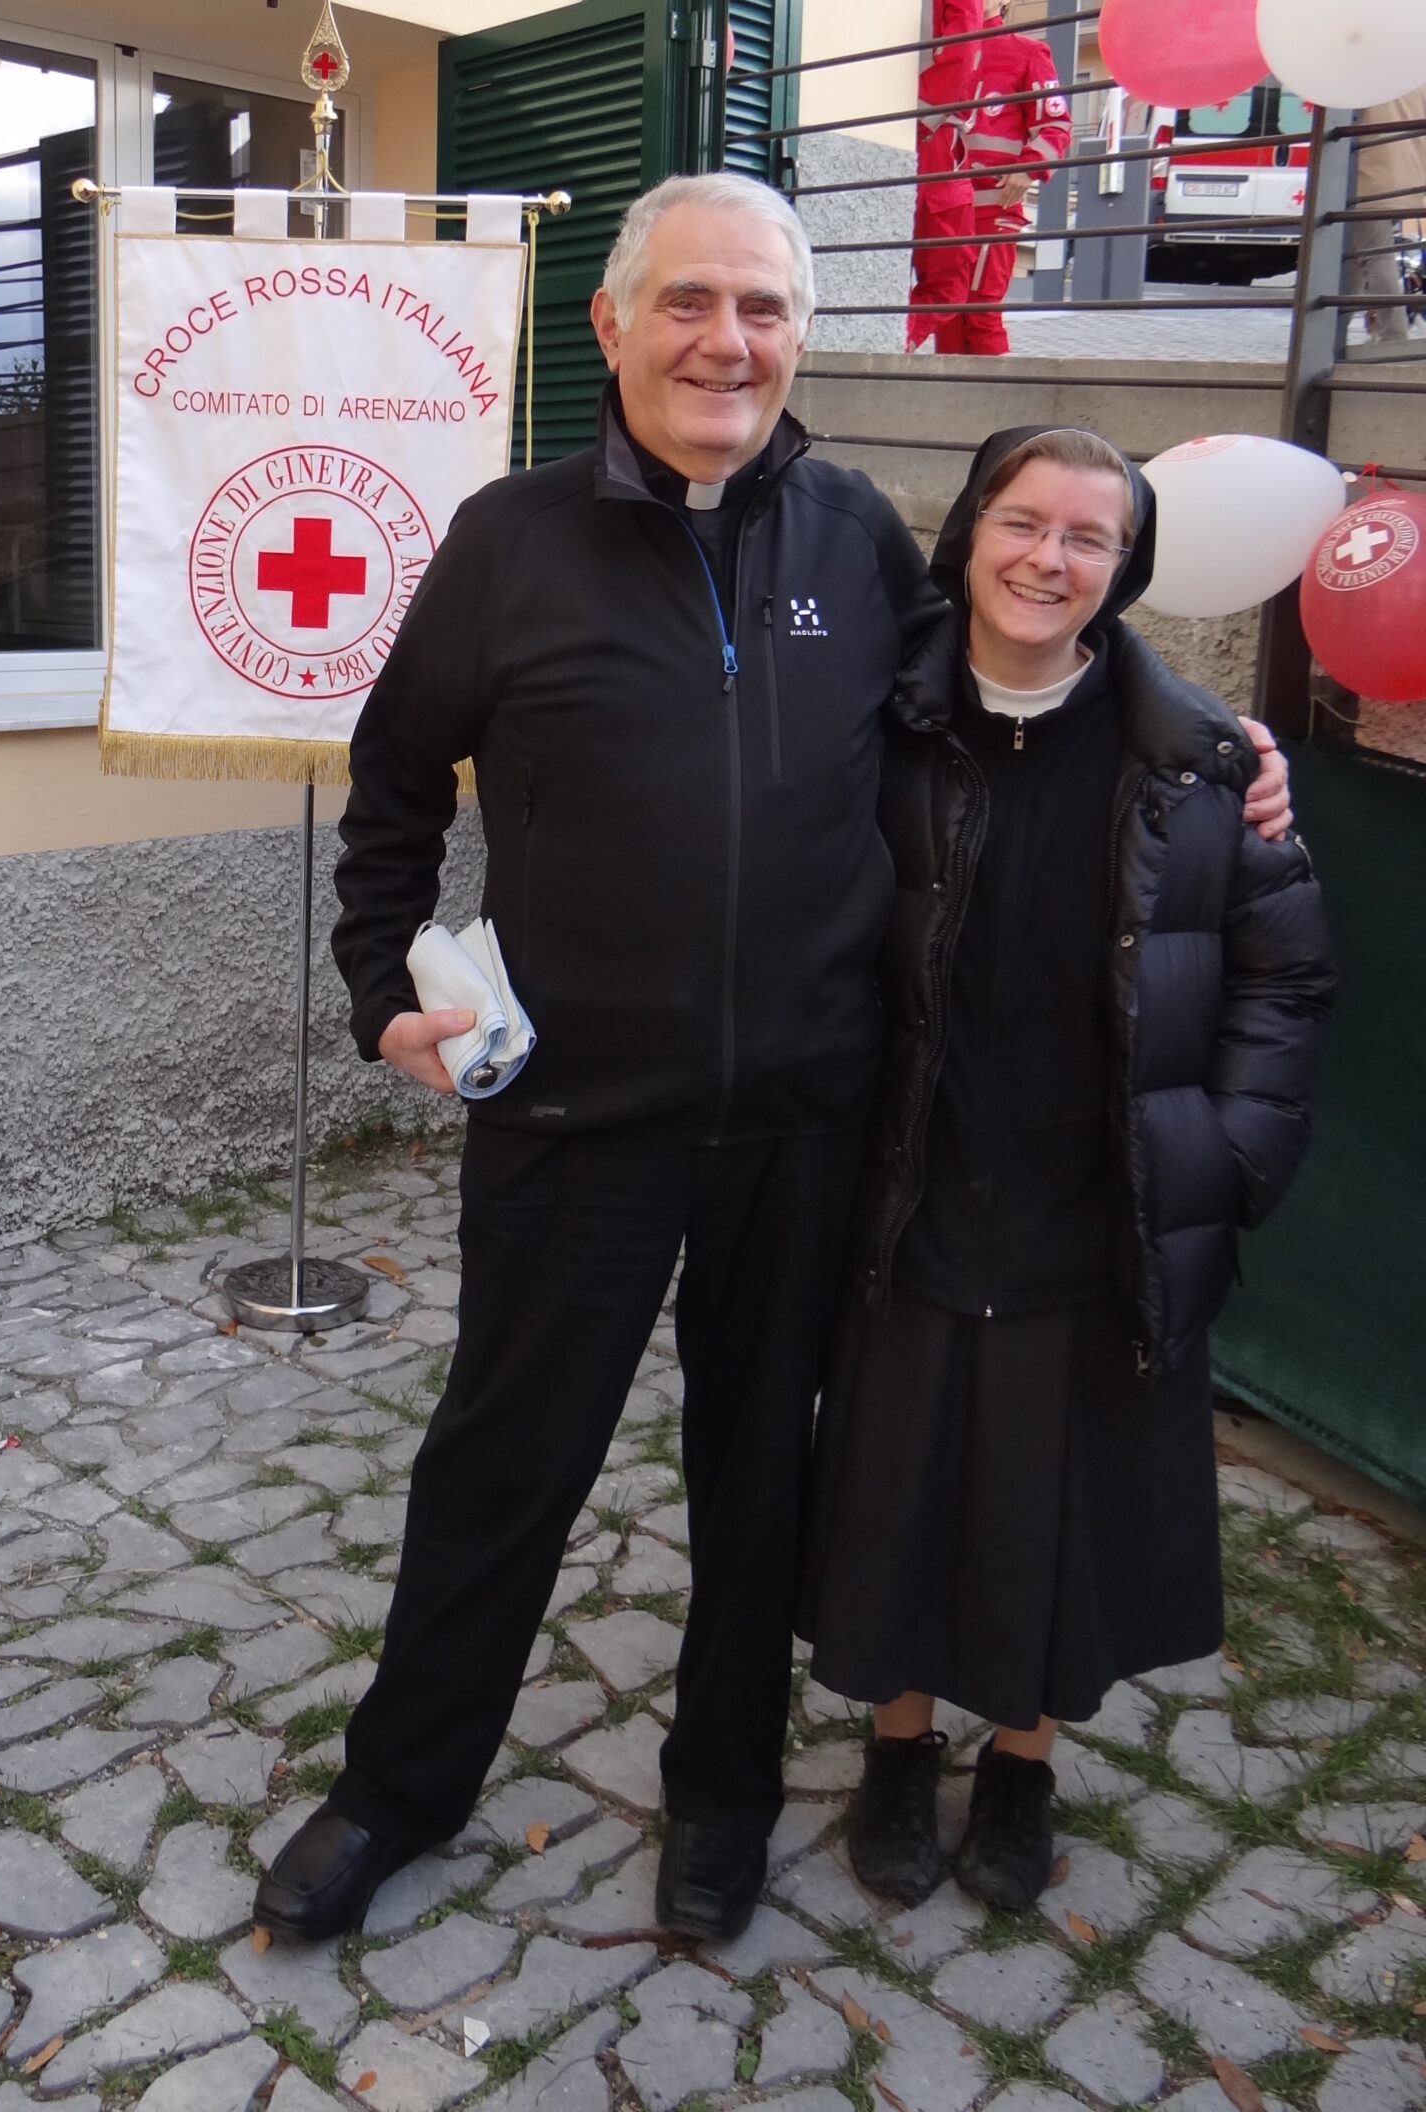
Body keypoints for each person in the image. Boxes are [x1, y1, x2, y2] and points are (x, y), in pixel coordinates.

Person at [250, 177, 1292, 1948]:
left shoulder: (857, 536)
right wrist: (382, 994)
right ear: (612, 323)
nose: (727, 341)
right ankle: (396, 1792)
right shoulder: (505, 543)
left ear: (802, 335)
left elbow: (1013, 674)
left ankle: (720, 1800)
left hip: (812, 1121)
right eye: (691, 303)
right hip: (571, 1120)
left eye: (764, 309)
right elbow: (397, 797)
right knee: (502, 1471)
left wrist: (1213, 735)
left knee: (761, 1483)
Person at [797, 424, 1333, 1913]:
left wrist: (1222, 1158)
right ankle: (900, 1745)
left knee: (1055, 1491)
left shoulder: (1207, 764)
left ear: (1125, 569)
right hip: (911, 1178)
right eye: (1023, 523)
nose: (1049, 557)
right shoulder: (876, 726)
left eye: (1088, 538)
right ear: (969, 534)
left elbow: (1282, 986)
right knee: (902, 1477)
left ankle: (1021, 1759)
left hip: (1099, 1197)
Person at [935, 0, 1071, 357]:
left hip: (994, 206)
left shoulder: (1028, 52)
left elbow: (1056, 123)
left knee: (981, 313)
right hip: (945, 208)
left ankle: (998, 401)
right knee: (944, 312)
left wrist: (1027, 169)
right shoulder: (943, 53)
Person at [906, 0, 985, 352]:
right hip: (931, 138)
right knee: (951, 280)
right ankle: (894, 340)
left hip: (878, 124)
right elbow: (963, 50)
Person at [1343, 83, 1426, 344]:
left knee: (1374, 257)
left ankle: (1394, 335)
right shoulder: (1415, 81)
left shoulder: (1368, 82)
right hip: (1406, 179)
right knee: (1354, 260)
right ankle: (1330, 328)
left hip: (1368, 179)